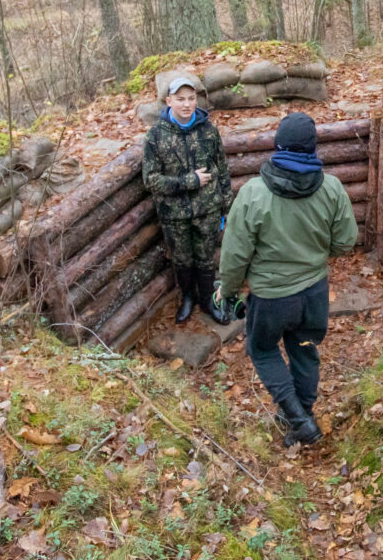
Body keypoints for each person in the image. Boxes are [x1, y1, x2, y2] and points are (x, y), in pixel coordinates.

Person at [217, 113, 359, 446]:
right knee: (305, 350)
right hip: (314, 292)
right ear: (312, 147)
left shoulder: (253, 193)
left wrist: (230, 289)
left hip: (271, 298)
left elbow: (235, 254)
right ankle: (303, 413)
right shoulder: (332, 188)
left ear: (277, 145)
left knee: (263, 350)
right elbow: (345, 242)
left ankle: (298, 419)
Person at [142, 72, 233, 324]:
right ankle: (188, 299)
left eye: (191, 98)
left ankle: (207, 300)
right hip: (174, 215)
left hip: (208, 210)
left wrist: (227, 204)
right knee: (182, 259)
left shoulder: (208, 131)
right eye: (180, 99)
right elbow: (151, 180)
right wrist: (188, 181)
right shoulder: (155, 137)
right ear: (169, 101)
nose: (187, 104)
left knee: (205, 258)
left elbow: (222, 168)